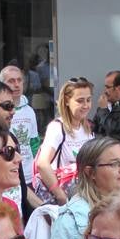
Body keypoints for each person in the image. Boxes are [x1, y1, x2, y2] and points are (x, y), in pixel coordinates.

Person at [35, 78, 96, 206]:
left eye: (88, 100)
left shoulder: (87, 127)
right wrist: (60, 195)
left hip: (82, 195)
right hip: (63, 199)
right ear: (67, 101)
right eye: (80, 101)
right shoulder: (57, 128)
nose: (86, 105)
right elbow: (42, 163)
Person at [0, 63, 41, 187]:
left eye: (19, 80)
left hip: (28, 176)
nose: (16, 85)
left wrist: (35, 169)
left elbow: (34, 143)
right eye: (11, 81)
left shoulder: (30, 111)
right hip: (7, 175)